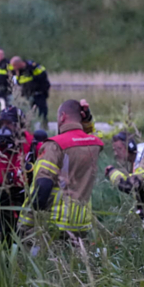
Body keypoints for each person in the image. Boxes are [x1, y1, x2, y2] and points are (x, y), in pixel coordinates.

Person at [22, 99, 102, 238]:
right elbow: (91, 134)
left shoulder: (55, 145)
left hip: (56, 223)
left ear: (62, 116)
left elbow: (42, 186)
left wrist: (26, 224)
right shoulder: (94, 144)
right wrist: (88, 120)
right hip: (82, 223)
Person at [0, 105, 46, 241]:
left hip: (28, 207)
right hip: (2, 207)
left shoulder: (33, 147)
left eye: (9, 124)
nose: (4, 129)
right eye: (2, 124)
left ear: (20, 126)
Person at [10, 56, 51, 129]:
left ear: (19, 64)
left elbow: (43, 74)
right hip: (27, 95)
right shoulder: (17, 72)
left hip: (39, 93)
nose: (13, 68)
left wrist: (33, 80)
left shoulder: (32, 66)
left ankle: (44, 127)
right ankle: (30, 128)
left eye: (14, 66)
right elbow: (17, 82)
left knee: (42, 111)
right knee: (29, 112)